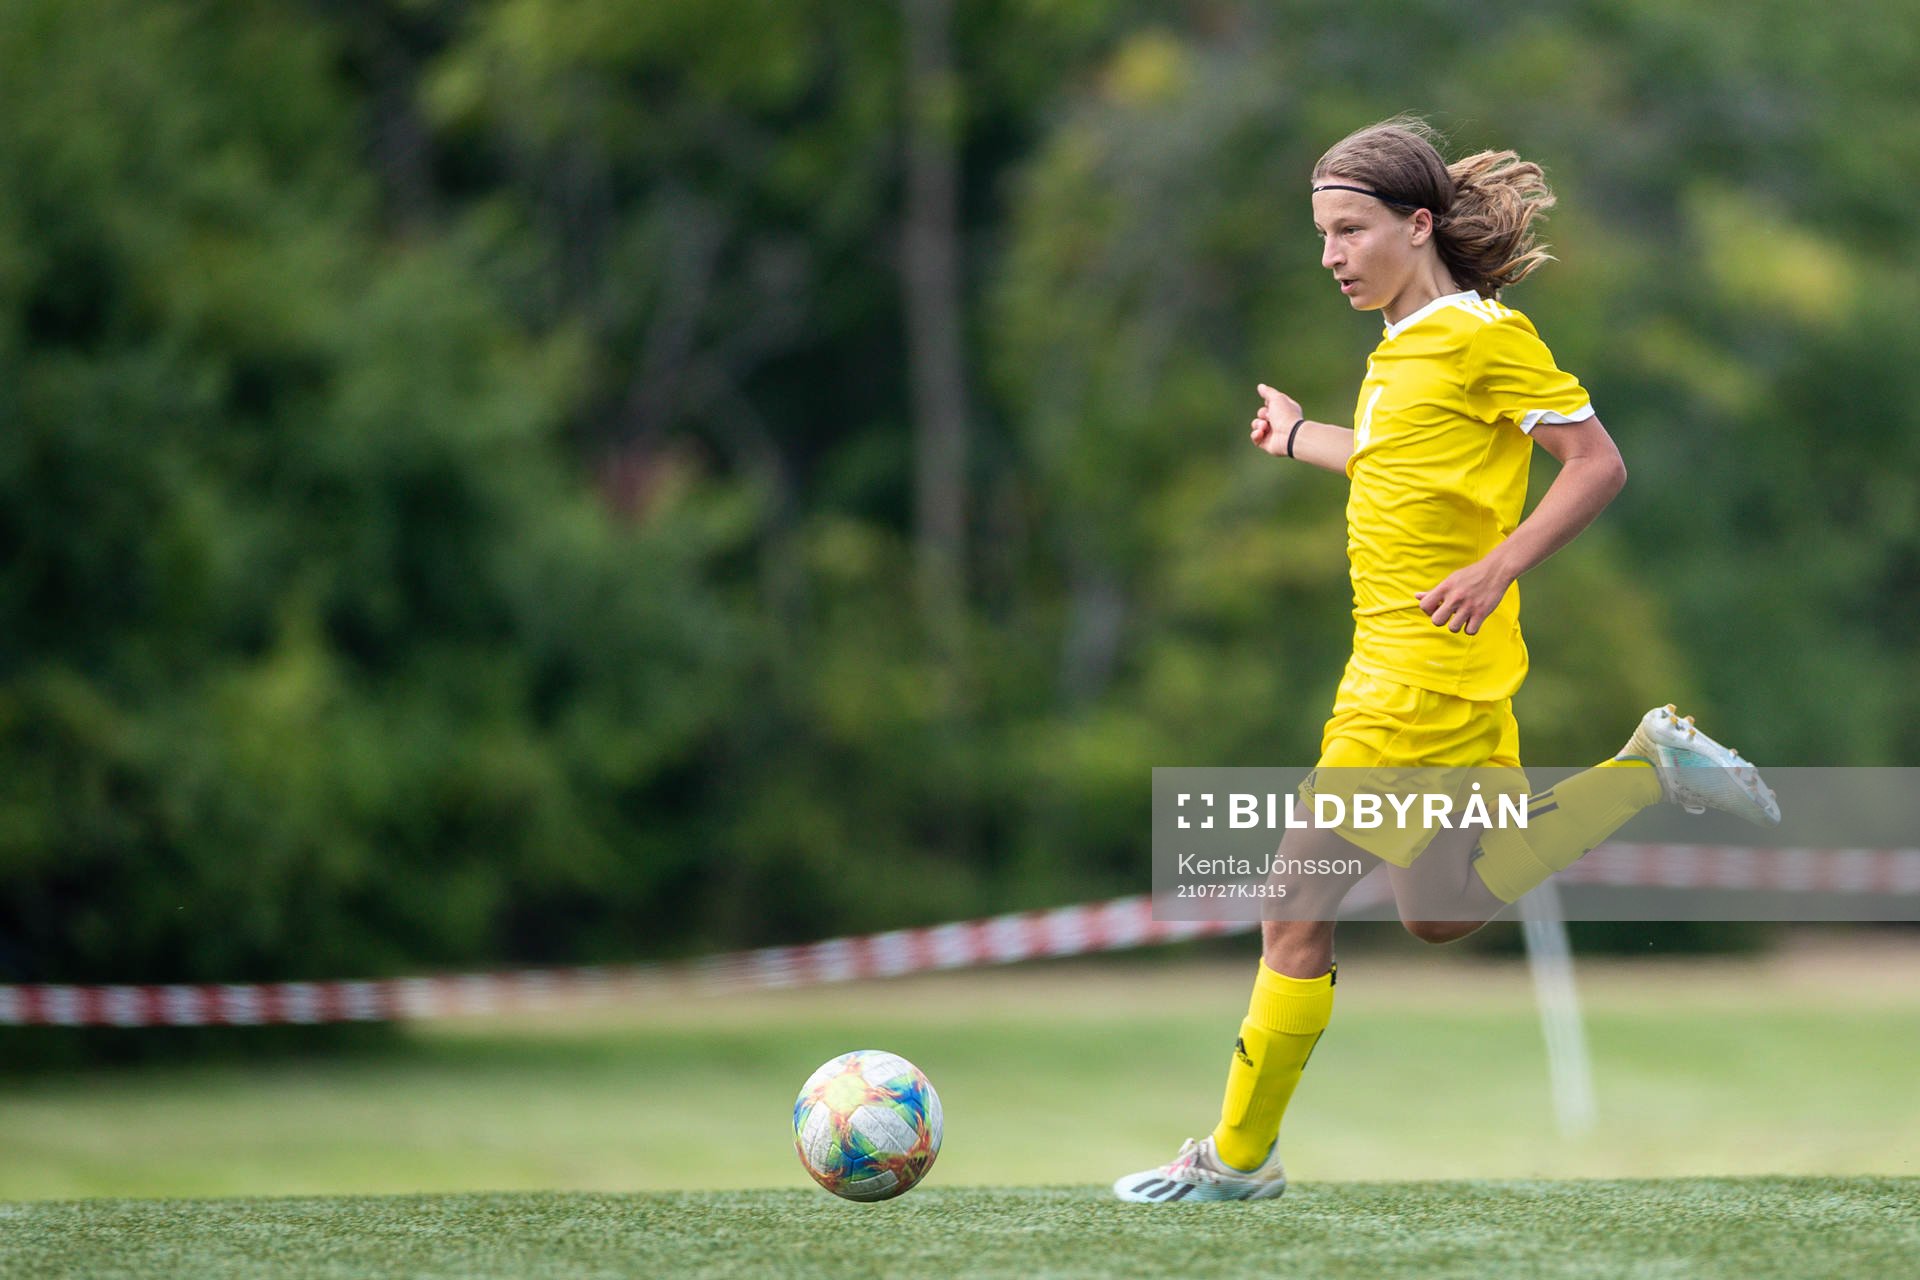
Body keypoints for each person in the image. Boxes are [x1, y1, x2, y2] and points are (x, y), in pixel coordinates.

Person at [1112, 117, 1780, 1205]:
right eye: (1322, 233)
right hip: (1426, 667)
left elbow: (1597, 464)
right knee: (1441, 910)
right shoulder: (1402, 345)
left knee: (1293, 903)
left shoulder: (1482, 336)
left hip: (1414, 672)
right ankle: (1646, 768)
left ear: (1416, 225)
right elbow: (1387, 464)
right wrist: (1293, 437)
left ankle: (1237, 1158)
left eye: (1349, 230)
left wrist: (1499, 564)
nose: (1331, 254)